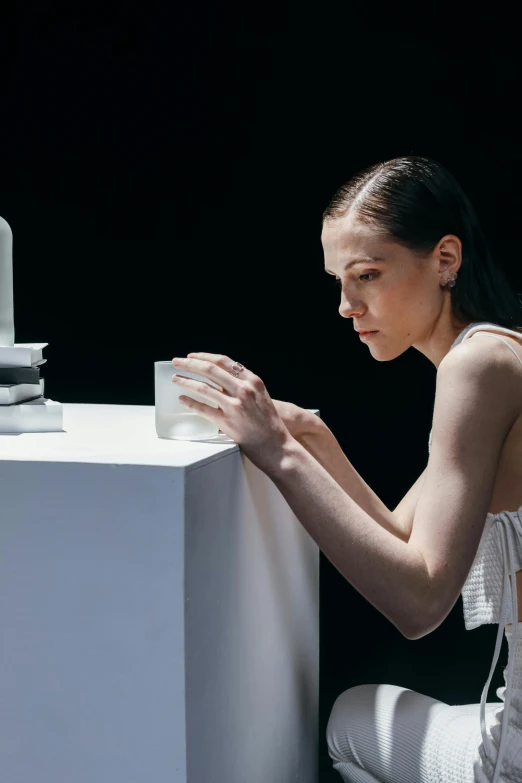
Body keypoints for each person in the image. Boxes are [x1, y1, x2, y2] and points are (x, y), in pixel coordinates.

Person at [171, 155, 522, 782]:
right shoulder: (500, 352)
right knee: (363, 713)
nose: (346, 305)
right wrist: (312, 438)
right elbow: (403, 540)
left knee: (349, 721)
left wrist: (281, 457)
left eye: (367, 275)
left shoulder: (478, 367)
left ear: (445, 259)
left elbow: (419, 601)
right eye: (339, 279)